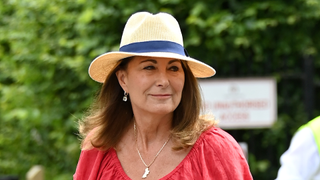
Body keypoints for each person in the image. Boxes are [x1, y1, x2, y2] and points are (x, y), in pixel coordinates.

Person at [73, 11, 253, 180]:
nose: (163, 81)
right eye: (149, 67)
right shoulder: (98, 146)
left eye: (173, 68)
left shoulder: (216, 150)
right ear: (123, 79)